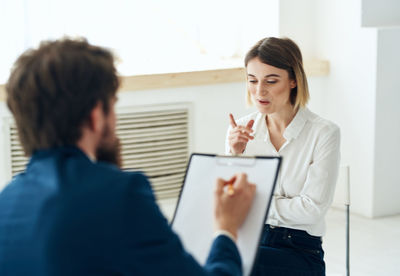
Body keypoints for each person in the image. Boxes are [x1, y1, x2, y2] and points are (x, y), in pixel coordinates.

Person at [0, 38, 256, 276]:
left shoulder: (7, 201)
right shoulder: (120, 195)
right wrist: (227, 228)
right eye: (113, 104)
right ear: (96, 115)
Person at [226, 37, 340, 276]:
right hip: (251, 237)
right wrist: (235, 154)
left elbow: (312, 210)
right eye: (252, 80)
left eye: (271, 80)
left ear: (293, 81)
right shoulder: (241, 129)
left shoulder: (323, 132)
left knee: (234, 263)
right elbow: (230, 201)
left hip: (299, 249)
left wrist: (255, 204)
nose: (259, 91)